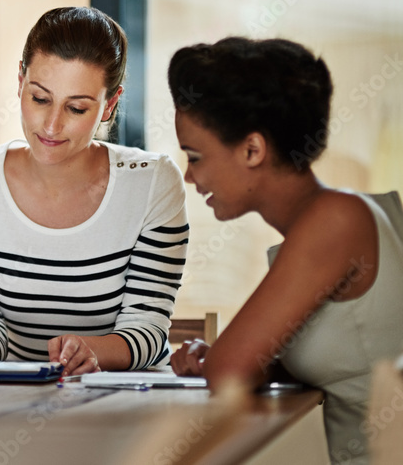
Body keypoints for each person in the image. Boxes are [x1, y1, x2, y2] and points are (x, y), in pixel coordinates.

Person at [167, 37, 403, 463]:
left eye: (196, 157)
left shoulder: (336, 219)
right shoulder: (337, 217)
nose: (188, 176)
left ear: (253, 150)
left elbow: (229, 373)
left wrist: (221, 359)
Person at [0, 7, 189, 373]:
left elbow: (147, 327)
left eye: (76, 108)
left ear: (110, 105)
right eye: (40, 99)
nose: (52, 125)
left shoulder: (151, 183)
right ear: (21, 81)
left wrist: (91, 351)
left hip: (124, 401)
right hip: (13, 400)